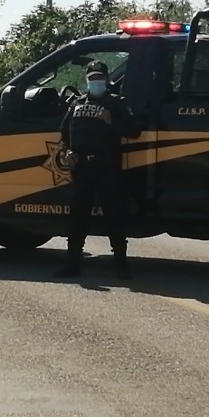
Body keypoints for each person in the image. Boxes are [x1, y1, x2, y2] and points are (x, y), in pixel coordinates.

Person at [55, 60, 140, 280]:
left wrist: (111, 121)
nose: (96, 82)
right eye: (92, 78)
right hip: (82, 167)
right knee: (78, 218)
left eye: (99, 78)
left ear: (107, 79)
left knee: (114, 216)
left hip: (107, 166)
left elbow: (134, 131)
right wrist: (68, 151)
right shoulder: (77, 103)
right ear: (87, 80)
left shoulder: (116, 103)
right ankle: (72, 264)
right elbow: (64, 132)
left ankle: (121, 266)